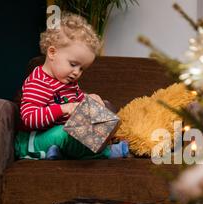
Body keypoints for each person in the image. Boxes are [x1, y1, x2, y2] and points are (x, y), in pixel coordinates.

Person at [15, 12, 128, 160]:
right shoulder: (38, 82)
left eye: (82, 69)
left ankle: (60, 152)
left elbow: (77, 105)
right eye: (73, 64)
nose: (76, 73)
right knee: (66, 133)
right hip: (34, 140)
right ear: (52, 52)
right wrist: (62, 109)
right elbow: (29, 118)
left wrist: (90, 100)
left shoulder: (69, 83)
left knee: (104, 109)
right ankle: (106, 152)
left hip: (59, 136)